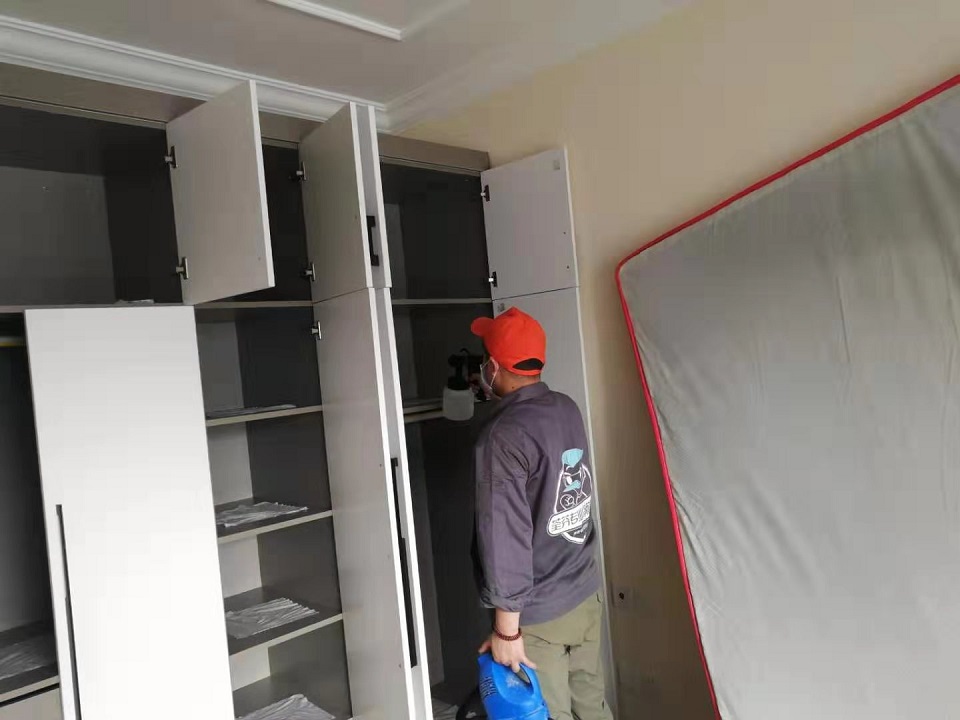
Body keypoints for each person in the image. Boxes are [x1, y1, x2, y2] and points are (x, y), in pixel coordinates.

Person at [470, 307, 612, 720]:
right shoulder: (565, 407)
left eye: (484, 361)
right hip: (584, 594)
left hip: (540, 614)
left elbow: (506, 537)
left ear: (494, 366)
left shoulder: (503, 436)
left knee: (546, 714)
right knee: (592, 707)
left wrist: (507, 631)